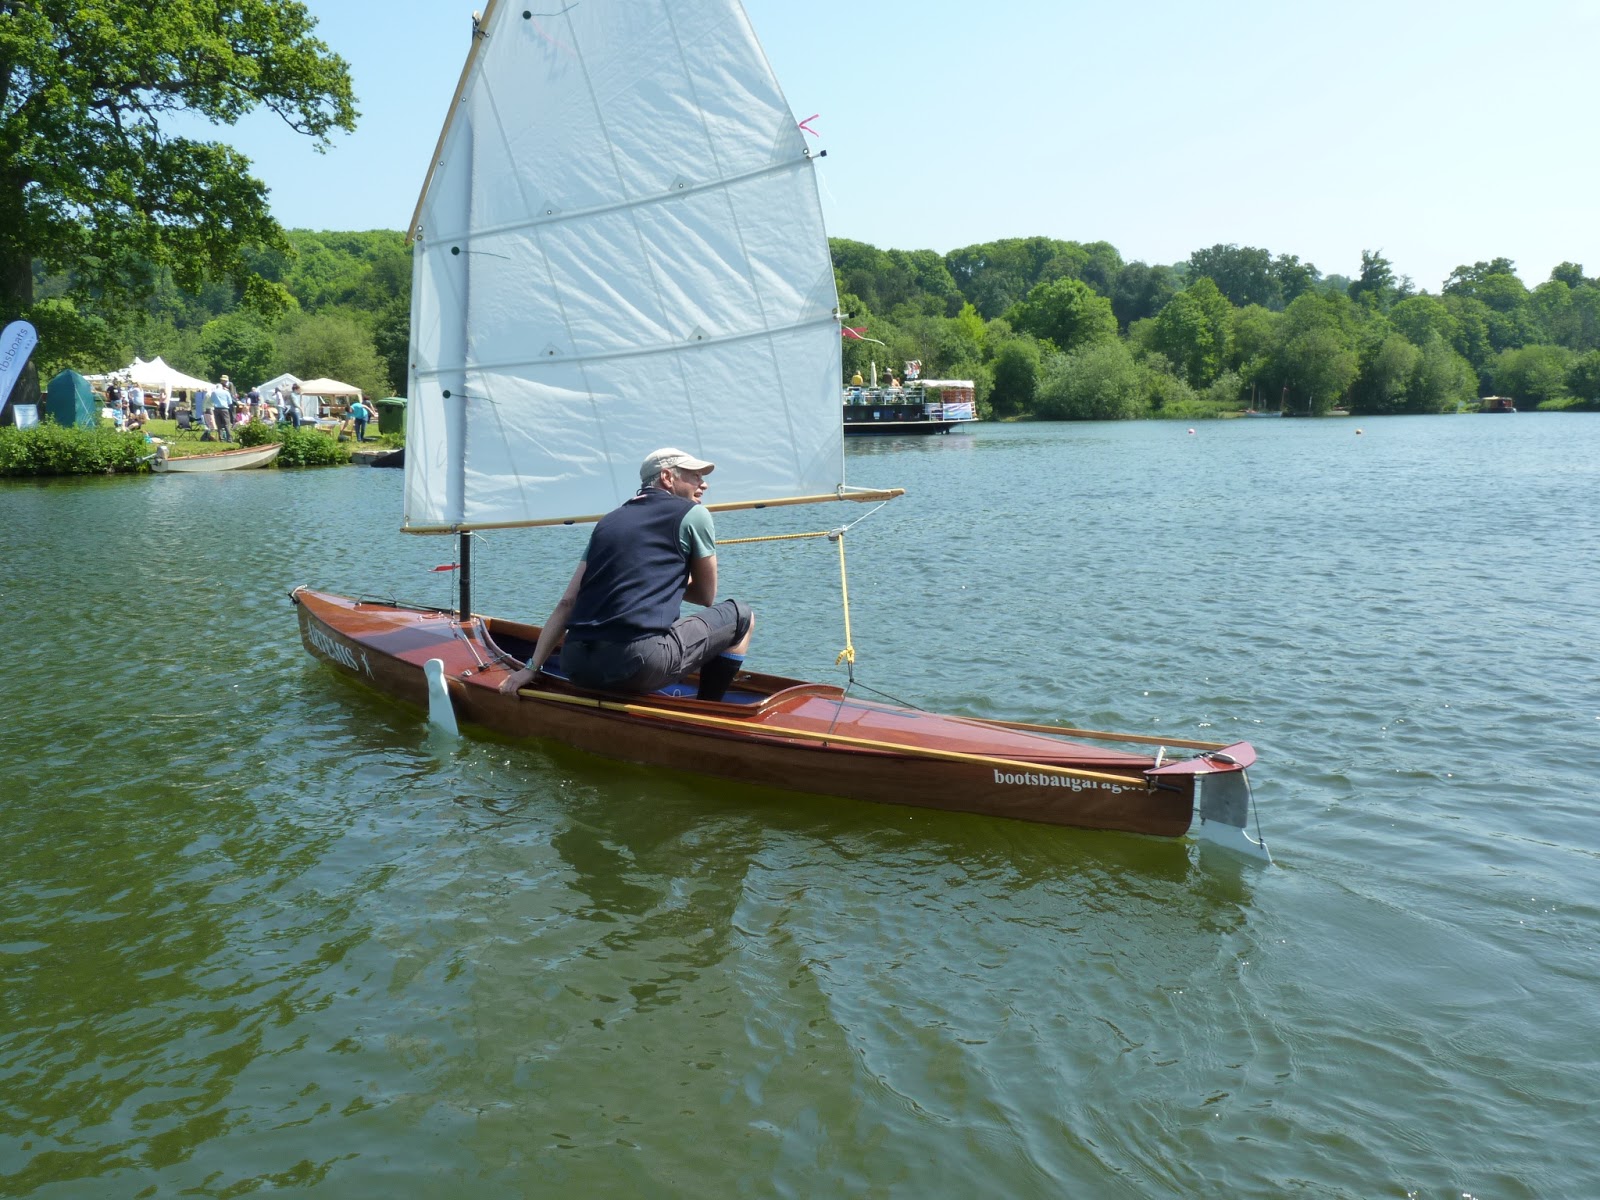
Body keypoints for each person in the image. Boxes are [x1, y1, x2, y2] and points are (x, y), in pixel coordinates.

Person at [498, 447, 754, 702]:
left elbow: (567, 602)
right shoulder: (694, 515)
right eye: (695, 476)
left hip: (576, 664)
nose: (704, 484)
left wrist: (530, 668)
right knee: (742, 616)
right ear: (667, 477)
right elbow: (706, 596)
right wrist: (671, 578)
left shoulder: (607, 522)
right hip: (636, 665)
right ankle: (708, 709)